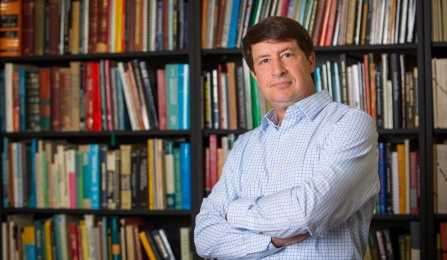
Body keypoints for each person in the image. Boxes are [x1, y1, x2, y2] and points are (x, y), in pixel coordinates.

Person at [194, 16, 379, 259]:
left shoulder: (349, 125)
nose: (277, 69)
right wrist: (273, 240)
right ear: (254, 74)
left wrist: (234, 212)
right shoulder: (245, 145)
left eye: (287, 55)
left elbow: (307, 212)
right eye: (264, 61)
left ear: (310, 60)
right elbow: (204, 236)